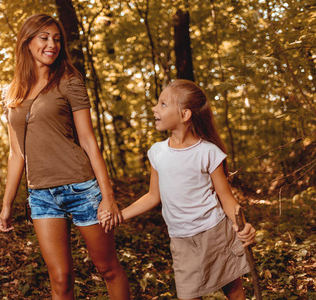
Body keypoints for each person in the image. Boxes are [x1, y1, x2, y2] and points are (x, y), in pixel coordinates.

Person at [0, 13, 130, 300]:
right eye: (44, 38)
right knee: (60, 279)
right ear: (27, 42)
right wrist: (7, 204)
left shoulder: (69, 80)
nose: (51, 44)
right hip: (41, 195)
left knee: (107, 268)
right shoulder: (12, 94)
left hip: (81, 187)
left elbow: (88, 140)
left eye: (56, 39)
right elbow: (16, 153)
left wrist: (107, 195)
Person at [99, 79, 256, 300]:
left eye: (163, 104)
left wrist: (243, 224)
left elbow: (227, 199)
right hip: (181, 240)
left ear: (185, 115)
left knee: (233, 291)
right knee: (188, 295)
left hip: (215, 232)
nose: (155, 108)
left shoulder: (208, 153)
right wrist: (121, 216)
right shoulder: (157, 152)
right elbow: (154, 196)